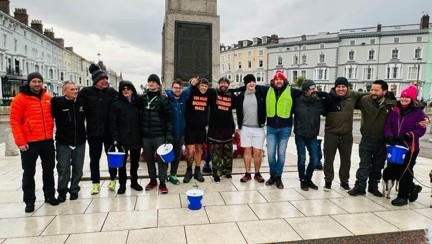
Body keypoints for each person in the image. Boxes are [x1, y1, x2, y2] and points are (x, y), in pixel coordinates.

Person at [10, 72, 59, 213]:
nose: (37, 84)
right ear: (29, 82)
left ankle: (49, 196)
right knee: (29, 172)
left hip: (47, 141)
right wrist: (20, 141)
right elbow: (15, 122)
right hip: (29, 143)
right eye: (34, 81)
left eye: (39, 81)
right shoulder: (19, 99)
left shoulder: (48, 98)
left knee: (49, 170)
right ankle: (29, 201)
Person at [347, 80, 395, 197]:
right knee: (364, 164)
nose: (373, 92)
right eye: (371, 89)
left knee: (377, 166)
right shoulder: (364, 101)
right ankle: (360, 186)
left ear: (384, 91)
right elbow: (350, 97)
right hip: (366, 140)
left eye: (376, 90)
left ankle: (373, 186)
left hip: (382, 142)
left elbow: (409, 107)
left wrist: (424, 119)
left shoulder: (391, 105)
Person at [383, 85, 428, 206]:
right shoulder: (394, 110)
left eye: (407, 97)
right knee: (393, 169)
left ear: (412, 99)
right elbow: (387, 125)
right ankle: (412, 188)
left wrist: (408, 135)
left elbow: (421, 129)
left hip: (410, 147)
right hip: (395, 145)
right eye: (402, 96)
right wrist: (389, 136)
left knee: (406, 171)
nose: (404, 99)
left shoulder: (419, 113)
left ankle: (403, 196)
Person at [78, 64, 118, 195]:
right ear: (96, 81)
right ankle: (95, 183)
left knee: (111, 157)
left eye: (106, 79)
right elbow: (78, 109)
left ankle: (113, 180)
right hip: (93, 132)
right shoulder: (85, 93)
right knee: (94, 159)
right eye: (102, 79)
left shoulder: (111, 92)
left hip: (109, 133)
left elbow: (124, 100)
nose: (105, 81)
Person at [323, 77, 366, 191]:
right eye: (339, 87)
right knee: (328, 159)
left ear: (347, 87)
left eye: (343, 87)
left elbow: (368, 95)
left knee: (346, 159)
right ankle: (328, 180)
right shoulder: (329, 97)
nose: (341, 89)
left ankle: (344, 181)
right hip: (331, 134)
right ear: (335, 87)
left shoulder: (353, 95)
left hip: (347, 134)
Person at [264, 71, 302, 189]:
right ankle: (272, 175)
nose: (279, 81)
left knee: (281, 154)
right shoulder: (267, 90)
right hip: (271, 128)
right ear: (273, 81)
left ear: (284, 80)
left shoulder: (291, 91)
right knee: (270, 154)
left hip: (285, 128)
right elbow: (250, 86)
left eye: (281, 79)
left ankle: (278, 177)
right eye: (277, 79)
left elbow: (306, 92)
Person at [51, 81, 86, 202]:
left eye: (76, 89)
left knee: (78, 168)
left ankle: (74, 189)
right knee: (63, 167)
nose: (75, 91)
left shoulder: (82, 102)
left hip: (80, 141)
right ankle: (62, 190)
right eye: (72, 89)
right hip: (63, 142)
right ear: (64, 91)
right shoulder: (56, 102)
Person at [140, 74, 173, 194]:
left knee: (162, 161)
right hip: (146, 136)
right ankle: (152, 180)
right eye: (150, 81)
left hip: (159, 135)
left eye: (154, 81)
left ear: (158, 84)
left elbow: (169, 118)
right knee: (149, 160)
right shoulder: (142, 98)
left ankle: (162, 183)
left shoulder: (163, 99)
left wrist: (168, 135)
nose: (152, 83)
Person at [109, 80, 143, 194]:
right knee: (122, 164)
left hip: (136, 138)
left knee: (135, 163)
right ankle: (122, 185)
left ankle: (134, 182)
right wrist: (115, 138)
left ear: (132, 90)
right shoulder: (116, 104)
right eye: (123, 89)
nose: (126, 90)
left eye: (128, 88)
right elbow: (113, 123)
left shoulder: (138, 102)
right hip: (122, 139)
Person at [293, 79, 325, 191]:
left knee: (315, 159)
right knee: (302, 158)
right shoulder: (297, 100)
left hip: (312, 134)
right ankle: (302, 180)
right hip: (300, 133)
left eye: (314, 88)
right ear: (306, 90)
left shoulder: (319, 101)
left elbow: (327, 110)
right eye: (312, 89)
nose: (314, 90)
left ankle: (308, 178)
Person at [236, 74, 267, 183]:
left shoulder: (261, 94)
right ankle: (247, 173)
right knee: (247, 151)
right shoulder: (241, 96)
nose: (251, 83)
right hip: (245, 128)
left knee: (258, 152)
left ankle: (257, 173)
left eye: (253, 81)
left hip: (259, 128)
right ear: (245, 84)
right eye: (249, 82)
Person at [208, 77, 236, 183]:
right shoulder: (213, 93)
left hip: (227, 128)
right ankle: (216, 174)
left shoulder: (231, 95)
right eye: (222, 83)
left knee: (228, 152)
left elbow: (238, 102)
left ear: (228, 85)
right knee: (216, 153)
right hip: (215, 128)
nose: (223, 85)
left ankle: (227, 172)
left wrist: (233, 91)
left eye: (226, 83)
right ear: (218, 84)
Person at [183, 77, 212, 183]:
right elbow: (184, 91)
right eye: (202, 85)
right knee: (190, 151)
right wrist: (191, 83)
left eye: (206, 86)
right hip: (190, 127)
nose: (203, 88)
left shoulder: (209, 95)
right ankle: (189, 170)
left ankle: (197, 170)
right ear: (198, 86)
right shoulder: (192, 92)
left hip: (201, 128)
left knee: (199, 150)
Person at [165, 79, 190, 185]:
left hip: (181, 133)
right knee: (166, 156)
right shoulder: (167, 98)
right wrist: (166, 92)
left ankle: (173, 174)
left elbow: (190, 89)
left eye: (179, 88)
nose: (178, 90)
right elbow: (163, 90)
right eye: (175, 88)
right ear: (172, 88)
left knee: (177, 156)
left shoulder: (184, 99)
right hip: (169, 133)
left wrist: (192, 83)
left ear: (182, 89)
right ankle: (163, 175)